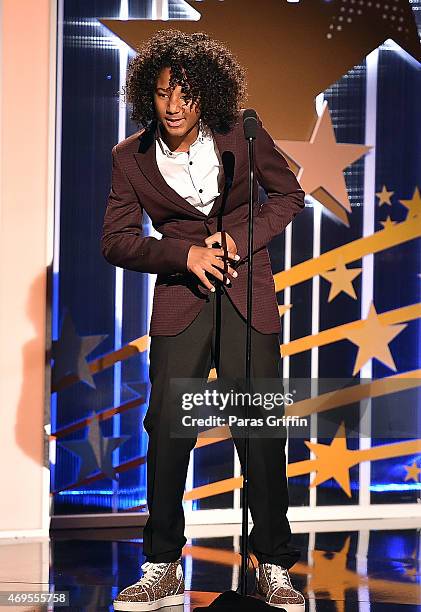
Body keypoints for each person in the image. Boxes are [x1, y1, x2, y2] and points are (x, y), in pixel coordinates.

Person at [102, 29, 306, 612]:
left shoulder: (239, 133)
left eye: (186, 95)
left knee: (261, 432)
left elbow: (288, 197)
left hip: (247, 297)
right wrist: (181, 255)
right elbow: (115, 241)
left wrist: (240, 240)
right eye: (164, 94)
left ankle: (272, 566)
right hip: (180, 302)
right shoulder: (129, 158)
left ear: (206, 97)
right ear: (149, 95)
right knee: (167, 429)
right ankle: (162, 565)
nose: (173, 106)